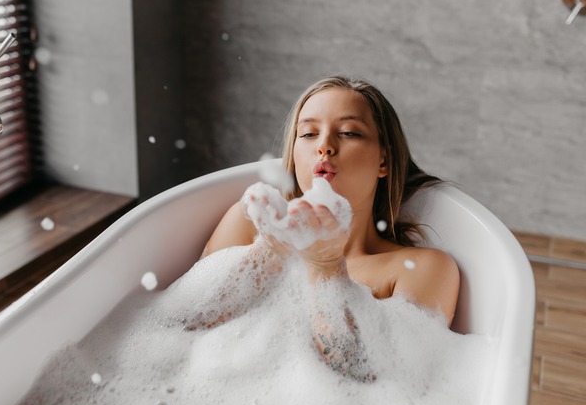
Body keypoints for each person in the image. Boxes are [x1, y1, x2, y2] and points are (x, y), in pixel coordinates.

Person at [196, 76, 460, 380]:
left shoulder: (419, 268)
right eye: (308, 133)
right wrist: (269, 254)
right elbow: (187, 327)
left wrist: (327, 267)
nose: (324, 146)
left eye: (348, 132)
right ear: (293, 155)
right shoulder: (249, 223)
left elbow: (381, 379)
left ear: (383, 160)